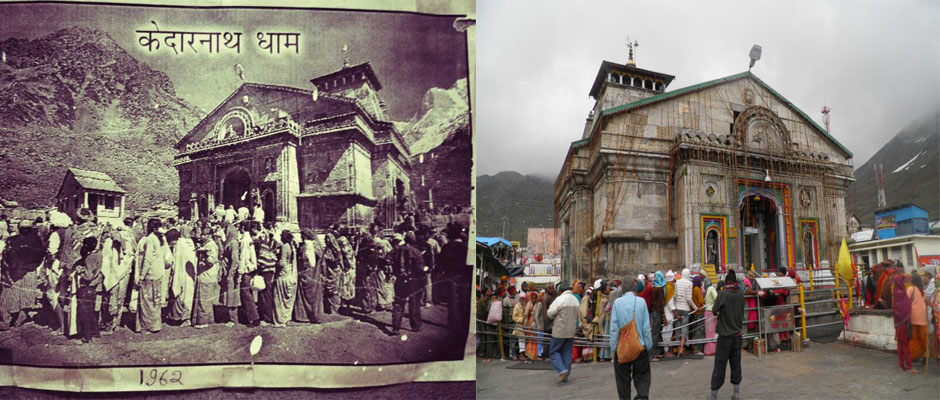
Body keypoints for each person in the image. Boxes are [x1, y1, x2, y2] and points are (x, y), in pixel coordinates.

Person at [609, 277, 652, 400]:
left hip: (622, 346)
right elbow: (646, 327)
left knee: (622, 378)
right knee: (642, 375)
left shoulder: (617, 303)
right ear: (634, 288)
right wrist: (648, 345)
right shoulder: (641, 302)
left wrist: (614, 346)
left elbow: (614, 328)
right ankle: (642, 396)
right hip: (639, 345)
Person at [709, 269, 745, 400]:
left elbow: (714, 310)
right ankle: (736, 393)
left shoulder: (724, 294)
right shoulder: (740, 293)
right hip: (737, 335)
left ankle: (714, 395)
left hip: (725, 336)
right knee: (736, 363)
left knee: (720, 364)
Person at [136, 218, 168, 334]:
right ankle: (155, 325)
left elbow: (147, 259)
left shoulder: (150, 239)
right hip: (158, 272)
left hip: (150, 273)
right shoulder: (160, 239)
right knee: (156, 300)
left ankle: (146, 326)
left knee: (147, 301)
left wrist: (141, 275)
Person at [547, 280, 581, 384]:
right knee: (567, 353)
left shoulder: (560, 299)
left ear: (560, 290)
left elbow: (550, 313)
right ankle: (566, 374)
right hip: (570, 330)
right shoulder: (575, 299)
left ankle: (561, 370)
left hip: (559, 330)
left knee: (554, 352)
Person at [391, 231, 423, 334]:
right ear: (413, 240)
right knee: (414, 303)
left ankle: (396, 327)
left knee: (399, 303)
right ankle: (415, 325)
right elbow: (420, 267)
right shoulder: (416, 251)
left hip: (400, 279)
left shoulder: (397, 250)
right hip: (413, 280)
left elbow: (389, 260)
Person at [73, 237, 103, 343]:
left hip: (86, 286)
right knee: (90, 311)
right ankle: (95, 332)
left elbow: (88, 276)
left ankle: (87, 336)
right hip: (94, 287)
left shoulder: (90, 258)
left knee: (84, 312)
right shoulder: (99, 254)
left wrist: (80, 271)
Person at [294, 228, 323, 323]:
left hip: (308, 272)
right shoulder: (316, 246)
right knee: (312, 294)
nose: (301, 237)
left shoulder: (308, 245)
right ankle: (311, 316)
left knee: (307, 294)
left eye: (302, 235)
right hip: (312, 273)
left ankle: (305, 316)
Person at [193, 230, 220, 329]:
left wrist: (204, 261)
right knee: (207, 299)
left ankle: (202, 321)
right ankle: (209, 319)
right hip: (209, 275)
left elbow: (211, 261)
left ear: (209, 235)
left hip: (207, 275)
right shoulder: (209, 244)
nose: (202, 236)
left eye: (204, 234)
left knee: (204, 299)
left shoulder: (210, 245)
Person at [892, 273, 917, 372]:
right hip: (903, 322)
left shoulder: (897, 292)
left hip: (899, 322)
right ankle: (909, 366)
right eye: (903, 281)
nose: (904, 282)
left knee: (900, 345)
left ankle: (902, 366)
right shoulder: (901, 293)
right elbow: (904, 308)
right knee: (905, 344)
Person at [238, 222, 260, 327]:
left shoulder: (245, 240)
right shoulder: (248, 239)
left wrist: (240, 271)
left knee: (246, 294)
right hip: (251, 268)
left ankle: (254, 318)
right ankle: (248, 317)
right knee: (247, 293)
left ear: (242, 228)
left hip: (246, 269)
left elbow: (244, 257)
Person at [273, 230, 297, 327]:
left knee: (279, 297)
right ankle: (286, 318)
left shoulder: (284, 246)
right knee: (287, 297)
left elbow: (282, 263)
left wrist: (274, 260)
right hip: (290, 272)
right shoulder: (292, 246)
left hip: (283, 273)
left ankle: (280, 321)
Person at [219, 224, 241, 326]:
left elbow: (235, 260)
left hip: (231, 273)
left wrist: (231, 273)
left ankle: (233, 319)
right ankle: (230, 317)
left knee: (232, 295)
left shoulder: (233, 243)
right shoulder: (230, 242)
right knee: (229, 294)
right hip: (227, 270)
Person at [672, 268, 698, 357]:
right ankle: (682, 348)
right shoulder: (690, 283)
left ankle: (678, 347)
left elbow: (675, 296)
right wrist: (695, 308)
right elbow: (688, 298)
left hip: (678, 307)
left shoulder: (677, 282)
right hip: (686, 308)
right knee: (685, 328)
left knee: (678, 327)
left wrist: (675, 309)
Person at [907, 273, 928, 365]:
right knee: (923, 339)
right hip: (923, 317)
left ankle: (914, 358)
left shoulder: (911, 289)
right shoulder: (923, 291)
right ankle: (923, 357)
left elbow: (906, 301)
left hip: (914, 318)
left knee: (914, 340)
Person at [648, 271, 666, 361]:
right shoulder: (659, 289)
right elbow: (661, 303)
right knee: (655, 334)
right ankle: (651, 355)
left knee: (655, 333)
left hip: (652, 312)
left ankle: (656, 352)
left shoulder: (653, 286)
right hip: (657, 312)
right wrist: (663, 315)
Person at [704, 278, 721, 355]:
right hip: (711, 312)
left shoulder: (705, 291)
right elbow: (717, 298)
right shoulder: (711, 288)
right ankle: (712, 350)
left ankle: (707, 349)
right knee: (712, 332)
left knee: (708, 331)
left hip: (706, 312)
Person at [512, 292, 530, 360]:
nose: (522, 300)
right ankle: (521, 354)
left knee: (525, 340)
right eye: (521, 298)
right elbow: (514, 317)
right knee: (521, 340)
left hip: (526, 325)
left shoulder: (526, 305)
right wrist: (521, 319)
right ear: (519, 299)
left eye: (523, 298)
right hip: (519, 326)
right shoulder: (517, 306)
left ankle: (524, 354)